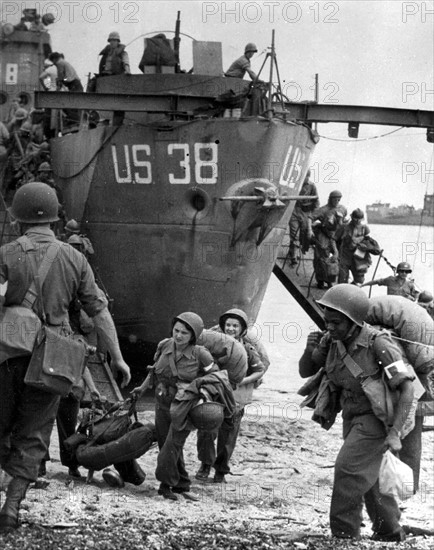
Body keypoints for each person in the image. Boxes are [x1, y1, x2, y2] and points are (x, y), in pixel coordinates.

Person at [0, 182, 131, 533]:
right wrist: (117, 357)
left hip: (8, 353)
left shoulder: (6, 254)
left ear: (18, 219)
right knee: (35, 430)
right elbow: (99, 312)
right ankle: (11, 509)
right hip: (53, 357)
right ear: (56, 220)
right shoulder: (76, 259)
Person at [299, 284, 415, 542]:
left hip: (376, 418)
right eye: (327, 322)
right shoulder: (333, 340)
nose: (329, 327)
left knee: (348, 469)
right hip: (351, 415)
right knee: (369, 476)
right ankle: (390, 531)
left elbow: (407, 389)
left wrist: (395, 433)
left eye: (336, 323)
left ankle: (343, 534)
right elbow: (306, 371)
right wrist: (310, 349)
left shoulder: (379, 344)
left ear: (353, 321)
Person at [131, 312, 219, 501]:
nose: (178, 336)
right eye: (176, 330)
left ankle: (165, 484)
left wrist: (197, 387)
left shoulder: (200, 354)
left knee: (172, 444)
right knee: (165, 443)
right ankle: (182, 483)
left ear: (193, 335)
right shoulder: (164, 345)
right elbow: (154, 371)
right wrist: (142, 387)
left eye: (184, 333)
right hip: (162, 402)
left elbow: (216, 377)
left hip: (184, 405)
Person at [196, 309, 266, 483]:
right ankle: (205, 464)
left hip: (235, 398)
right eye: (228, 325)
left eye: (235, 326)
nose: (231, 329)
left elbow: (259, 370)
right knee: (206, 430)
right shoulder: (215, 345)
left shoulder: (248, 348)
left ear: (242, 329)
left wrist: (241, 381)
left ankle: (220, 469)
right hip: (214, 395)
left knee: (228, 436)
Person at [311, 190, 347, 289]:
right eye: (334, 198)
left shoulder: (343, 209)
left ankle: (331, 280)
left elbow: (343, 221)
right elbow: (310, 218)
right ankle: (320, 280)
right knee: (321, 258)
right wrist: (310, 230)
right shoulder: (323, 210)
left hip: (336, 235)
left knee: (336, 259)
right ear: (330, 199)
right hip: (324, 234)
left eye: (338, 199)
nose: (337, 200)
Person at [288, 169, 319, 266]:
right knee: (294, 234)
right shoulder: (295, 184)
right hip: (295, 210)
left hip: (306, 212)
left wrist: (313, 216)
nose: (305, 178)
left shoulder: (312, 186)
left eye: (307, 176)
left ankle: (291, 249)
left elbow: (316, 202)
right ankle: (294, 256)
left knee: (303, 233)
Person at [336, 208, 371, 284]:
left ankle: (351, 288)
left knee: (360, 280)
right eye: (356, 218)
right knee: (343, 279)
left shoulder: (365, 228)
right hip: (344, 256)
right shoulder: (344, 227)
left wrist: (367, 246)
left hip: (358, 257)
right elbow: (333, 239)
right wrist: (335, 252)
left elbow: (368, 240)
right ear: (352, 217)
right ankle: (343, 294)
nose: (357, 221)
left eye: (359, 219)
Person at [48, 52, 83, 124]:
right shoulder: (64, 62)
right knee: (74, 104)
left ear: (54, 59)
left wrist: (58, 85)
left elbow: (62, 78)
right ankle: (74, 119)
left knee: (67, 103)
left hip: (74, 85)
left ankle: (74, 120)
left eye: (52, 61)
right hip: (76, 85)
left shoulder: (59, 63)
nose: (53, 63)